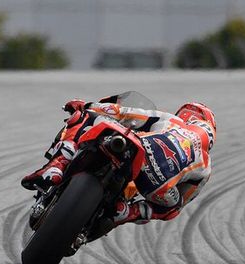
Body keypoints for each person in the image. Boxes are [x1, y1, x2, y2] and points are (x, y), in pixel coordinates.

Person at [21, 97, 216, 227]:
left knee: (87, 117)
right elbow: (176, 207)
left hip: (143, 149)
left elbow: (122, 112)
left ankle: (58, 165)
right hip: (158, 186)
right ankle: (125, 212)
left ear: (187, 115)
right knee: (170, 208)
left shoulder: (173, 121)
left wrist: (88, 106)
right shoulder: (206, 166)